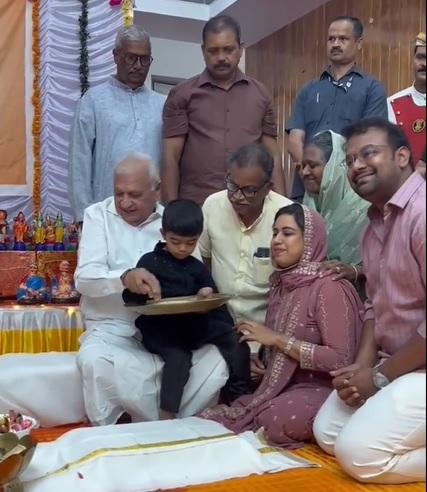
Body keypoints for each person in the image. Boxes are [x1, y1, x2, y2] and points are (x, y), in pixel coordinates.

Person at [75, 153, 229, 425]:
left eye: (134, 194)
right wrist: (123, 278)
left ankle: (182, 425)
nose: (124, 202)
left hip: (168, 329)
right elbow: (84, 279)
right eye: (118, 193)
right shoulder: (97, 216)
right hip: (112, 330)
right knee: (93, 360)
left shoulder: (171, 223)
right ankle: (115, 428)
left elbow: (195, 276)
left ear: (156, 189)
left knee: (215, 359)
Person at [314, 118, 426, 484]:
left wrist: (377, 378)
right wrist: (359, 372)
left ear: (403, 156)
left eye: (369, 153)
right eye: (349, 160)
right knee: (328, 432)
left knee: (357, 454)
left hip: (417, 370)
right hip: (397, 366)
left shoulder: (422, 215)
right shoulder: (374, 224)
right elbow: (374, 309)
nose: (357, 165)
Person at [201, 204, 362, 448]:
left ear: (309, 238)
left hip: (326, 388)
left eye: (287, 233)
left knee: (276, 421)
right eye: (274, 232)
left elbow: (341, 359)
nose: (276, 240)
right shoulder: (282, 284)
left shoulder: (329, 286)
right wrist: (266, 365)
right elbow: (284, 350)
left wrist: (276, 340)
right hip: (287, 386)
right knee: (223, 400)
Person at [123, 199, 250, 420]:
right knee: (179, 359)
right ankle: (167, 414)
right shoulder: (150, 261)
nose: (183, 248)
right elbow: (131, 298)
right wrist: (141, 289)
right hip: (160, 330)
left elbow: (213, 298)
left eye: (190, 243)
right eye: (176, 241)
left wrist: (205, 299)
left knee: (236, 339)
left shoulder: (196, 267)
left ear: (199, 237)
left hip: (192, 325)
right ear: (163, 234)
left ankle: (239, 397)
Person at [162, 15, 285, 206]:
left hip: (248, 205)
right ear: (203, 51)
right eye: (213, 51)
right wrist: (171, 209)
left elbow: (273, 156)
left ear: (241, 49)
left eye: (228, 50)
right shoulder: (181, 94)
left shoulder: (261, 94)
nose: (221, 58)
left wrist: (283, 207)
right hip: (196, 207)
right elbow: (171, 157)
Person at [69, 26, 164, 221]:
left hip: (153, 217)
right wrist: (83, 217)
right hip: (106, 214)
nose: (138, 65)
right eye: (131, 57)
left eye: (145, 59)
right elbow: (79, 161)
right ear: (116, 56)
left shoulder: (162, 104)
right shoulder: (94, 101)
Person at [287, 16, 387, 202]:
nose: (335, 44)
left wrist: (336, 178)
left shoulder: (372, 89)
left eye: (343, 39)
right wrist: (311, 172)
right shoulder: (309, 90)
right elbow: (294, 140)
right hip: (307, 187)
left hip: (350, 191)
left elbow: (371, 141)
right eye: (331, 39)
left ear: (358, 43)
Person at [199, 144, 292, 329]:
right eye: (232, 185)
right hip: (221, 322)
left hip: (268, 326)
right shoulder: (212, 205)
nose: (237, 197)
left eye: (249, 190)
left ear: (268, 188)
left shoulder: (286, 215)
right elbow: (204, 260)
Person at [301, 130, 369, 283]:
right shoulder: (306, 208)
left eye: (312, 165)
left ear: (335, 167)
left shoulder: (367, 209)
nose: (305, 172)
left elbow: (390, 263)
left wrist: (355, 271)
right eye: (303, 165)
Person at [388, 32, 426, 176]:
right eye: (421, 57)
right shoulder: (392, 104)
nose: (425, 64)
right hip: (404, 191)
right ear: (412, 61)